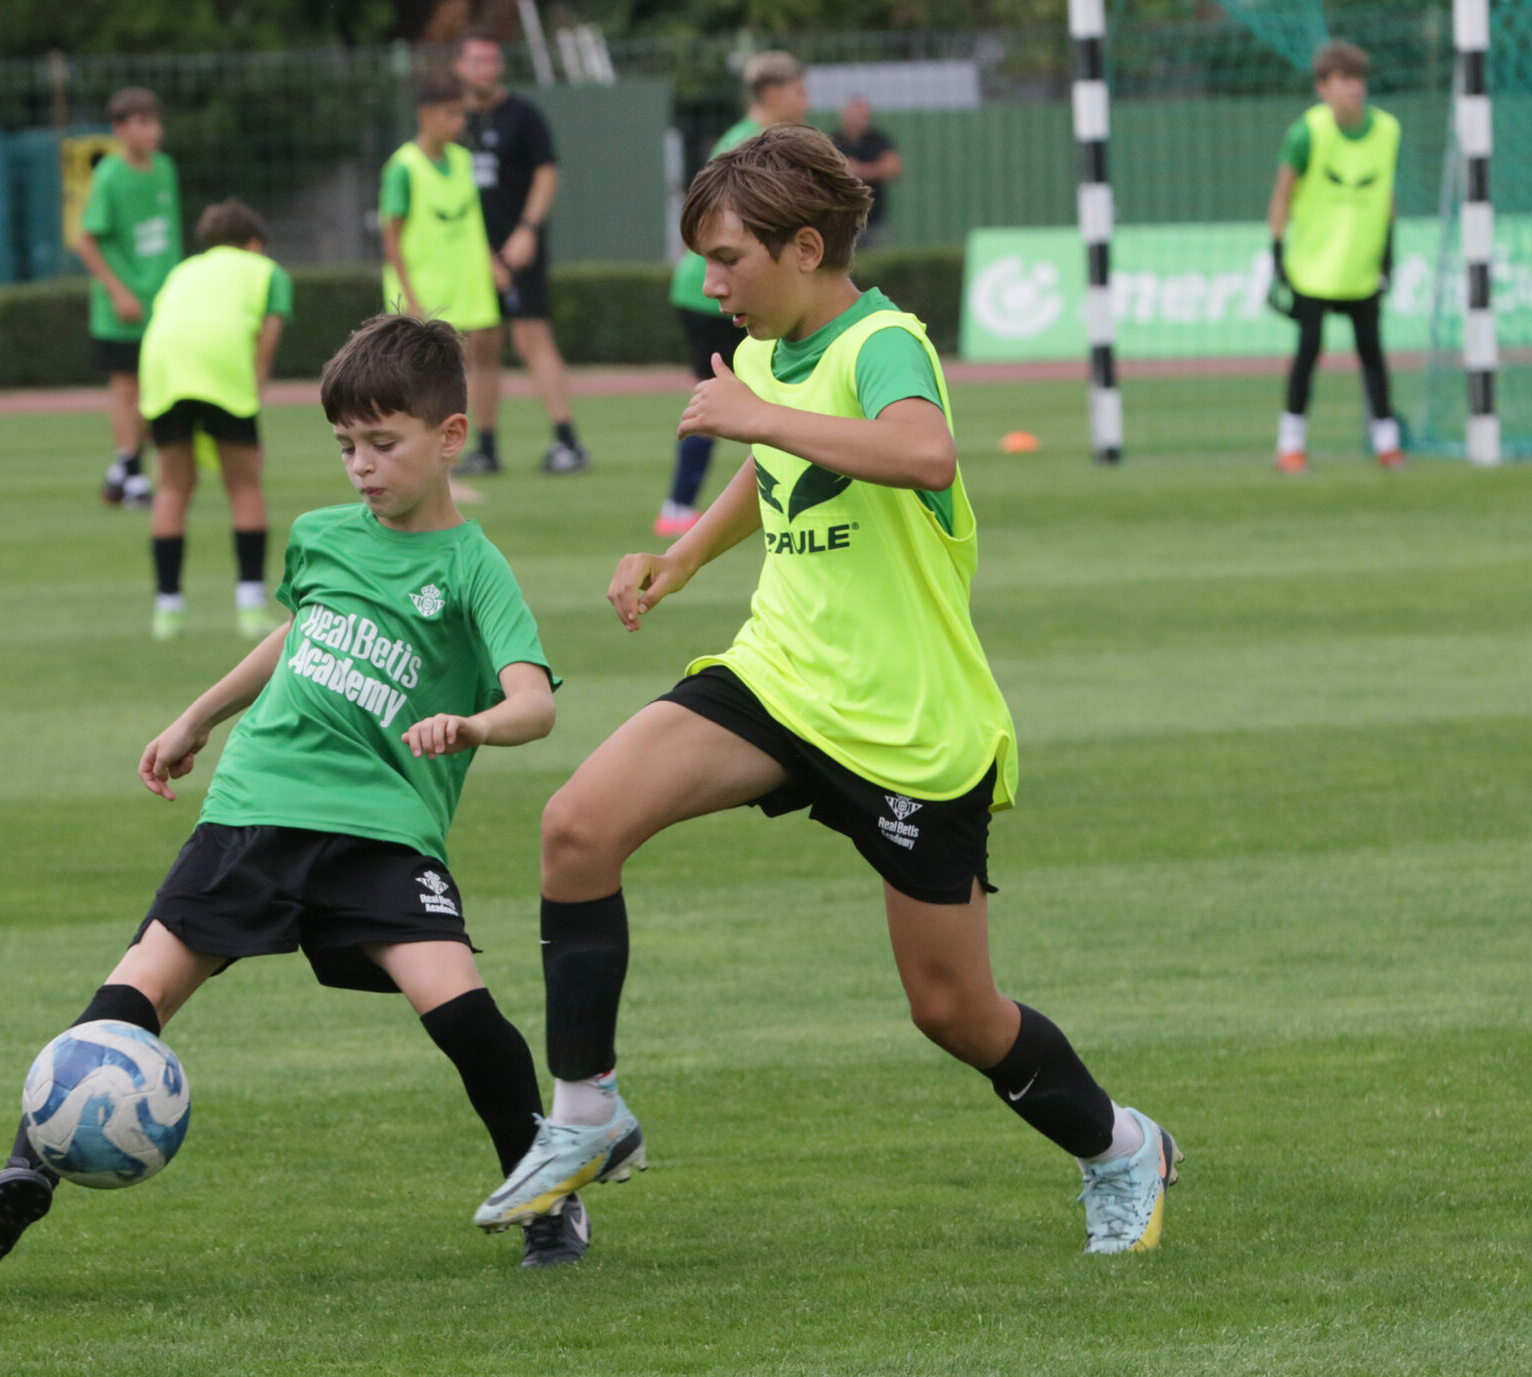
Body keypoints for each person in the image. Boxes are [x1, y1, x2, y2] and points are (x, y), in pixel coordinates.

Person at [474, 126, 1182, 1258]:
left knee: (953, 1012)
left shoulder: (882, 341)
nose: (709, 285)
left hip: (908, 727)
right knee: (575, 827)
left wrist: (754, 416)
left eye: (726, 260)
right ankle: (587, 1112)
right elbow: (776, 471)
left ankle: (1121, 1149)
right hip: (779, 677)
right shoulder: (761, 351)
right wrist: (683, 557)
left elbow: (921, 454)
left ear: (804, 247)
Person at [0, 314, 589, 1269]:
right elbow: (297, 636)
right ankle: (28, 1167)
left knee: (459, 1007)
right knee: (142, 981)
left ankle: (547, 1189)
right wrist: (198, 716)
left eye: (383, 444)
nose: (361, 466)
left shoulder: (473, 566)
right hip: (258, 799)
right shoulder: (320, 537)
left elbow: (535, 705)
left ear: (450, 437)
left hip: (381, 822)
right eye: (346, 446)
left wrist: (472, 725)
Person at [656, 51, 808, 538]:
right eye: (799, 91)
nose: (806, 101)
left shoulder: (754, 140)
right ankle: (679, 506)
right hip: (714, 295)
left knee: (756, 395)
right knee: (726, 397)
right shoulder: (753, 146)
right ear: (772, 93)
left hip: (716, 290)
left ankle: (684, 504)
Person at [137, 200, 292, 642]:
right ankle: (249, 608)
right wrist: (252, 398)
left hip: (163, 369)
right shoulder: (267, 272)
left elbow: (165, 328)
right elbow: (267, 339)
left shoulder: (182, 272)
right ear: (255, 243)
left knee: (171, 486)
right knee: (244, 484)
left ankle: (167, 612)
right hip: (223, 368)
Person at [453, 34, 588, 477]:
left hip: (519, 249)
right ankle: (486, 447)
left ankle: (567, 442)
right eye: (477, 60)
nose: (487, 68)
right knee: (480, 347)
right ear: (460, 67)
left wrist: (527, 231)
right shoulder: (453, 121)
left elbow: (546, 173)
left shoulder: (523, 115)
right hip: (472, 252)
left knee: (532, 337)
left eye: (493, 59)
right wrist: (479, 253)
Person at [1267, 40, 1403, 473]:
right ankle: (1291, 445)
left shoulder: (1388, 130)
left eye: (1358, 79)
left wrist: (1388, 251)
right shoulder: (1306, 133)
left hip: (1362, 267)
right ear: (1323, 87)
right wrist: (1276, 252)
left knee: (1373, 355)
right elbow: (1283, 194)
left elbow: (1387, 194)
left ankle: (1388, 444)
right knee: (1308, 352)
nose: (1353, 89)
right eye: (1343, 80)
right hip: (1314, 268)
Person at [78, 87, 182, 507]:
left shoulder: (165, 169)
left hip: (164, 302)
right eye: (141, 123)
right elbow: (86, 241)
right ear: (120, 129)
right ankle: (134, 473)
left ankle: (121, 470)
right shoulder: (109, 177)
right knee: (126, 388)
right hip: (122, 307)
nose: (152, 131)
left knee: (159, 389)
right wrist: (118, 290)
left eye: (154, 121)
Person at [380, 76, 501, 358]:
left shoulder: (462, 159)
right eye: (451, 113)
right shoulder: (403, 168)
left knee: (469, 368)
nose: (460, 122)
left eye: (461, 113)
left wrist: (491, 262)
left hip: (467, 290)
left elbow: (473, 223)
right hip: (425, 294)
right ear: (425, 115)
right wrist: (409, 298)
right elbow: (391, 241)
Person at [834, 96, 902, 249]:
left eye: (865, 116)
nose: (862, 120)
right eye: (857, 115)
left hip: (874, 217)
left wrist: (859, 170)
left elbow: (894, 168)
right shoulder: (834, 140)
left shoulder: (878, 140)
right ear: (844, 115)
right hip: (842, 218)